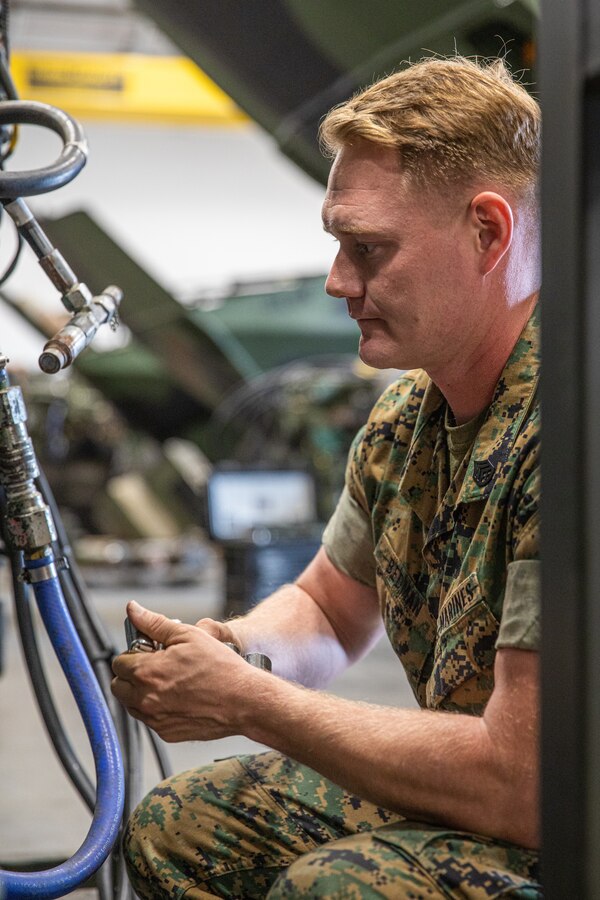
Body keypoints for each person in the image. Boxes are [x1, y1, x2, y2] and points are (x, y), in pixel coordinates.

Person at [112, 54, 542, 899]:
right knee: (177, 829)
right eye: (338, 244)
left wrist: (248, 704)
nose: (338, 281)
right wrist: (234, 653)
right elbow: (328, 608)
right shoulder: (404, 423)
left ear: (488, 232)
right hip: (496, 793)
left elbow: (523, 785)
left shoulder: (569, 437)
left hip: (561, 817)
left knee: (338, 887)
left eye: (369, 249)